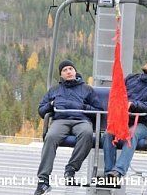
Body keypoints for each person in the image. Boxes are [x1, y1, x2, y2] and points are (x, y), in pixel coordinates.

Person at [34, 60, 103, 195]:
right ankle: (43, 180)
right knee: (51, 137)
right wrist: (51, 104)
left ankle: (71, 169)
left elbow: (98, 110)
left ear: (75, 71)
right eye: (65, 70)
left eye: (71, 68)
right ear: (61, 75)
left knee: (87, 133)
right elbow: (42, 110)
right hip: (61, 120)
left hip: (81, 120)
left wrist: (84, 108)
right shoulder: (55, 90)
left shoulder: (87, 89)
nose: (68, 71)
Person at [103, 54, 147, 180]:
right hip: (123, 119)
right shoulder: (132, 78)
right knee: (109, 134)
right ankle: (109, 172)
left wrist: (133, 105)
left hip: (142, 123)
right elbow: (118, 90)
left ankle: (118, 171)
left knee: (131, 134)